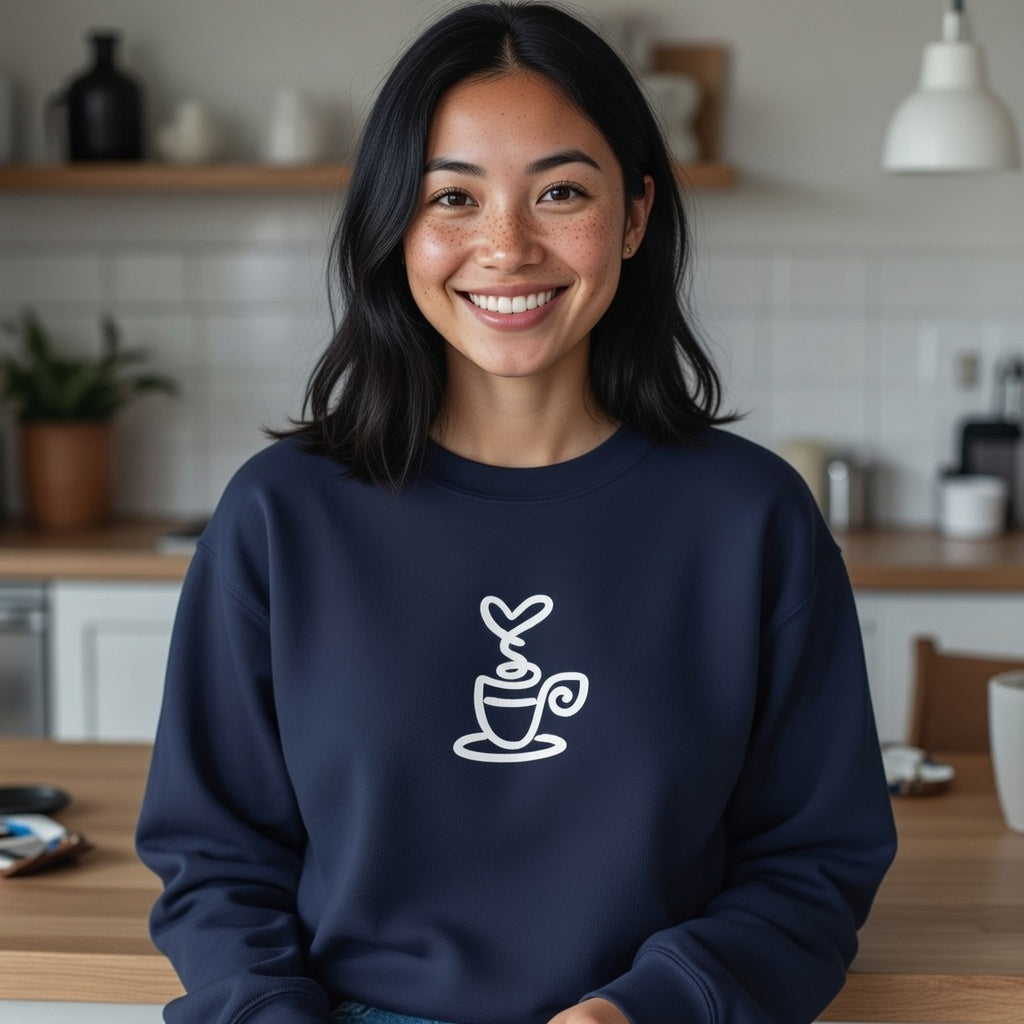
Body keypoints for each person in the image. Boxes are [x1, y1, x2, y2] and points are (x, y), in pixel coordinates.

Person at [136, 3, 897, 1024]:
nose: (506, 245)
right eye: (452, 195)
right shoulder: (280, 515)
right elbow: (215, 853)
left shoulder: (750, 517)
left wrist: (644, 1010)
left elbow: (813, 858)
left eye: (561, 191)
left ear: (632, 216)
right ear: (393, 225)